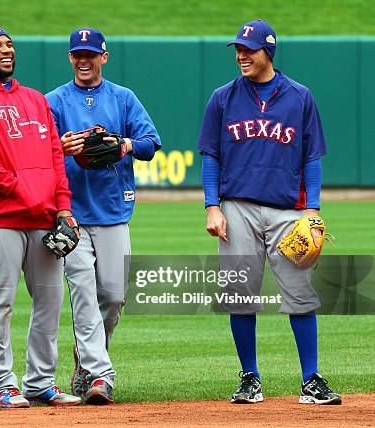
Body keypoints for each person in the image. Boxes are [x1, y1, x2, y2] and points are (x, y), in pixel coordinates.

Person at [197, 19, 342, 405]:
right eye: (238, 50)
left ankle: (311, 379)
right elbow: (211, 155)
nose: (241, 56)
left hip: (288, 212)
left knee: (300, 295)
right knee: (239, 295)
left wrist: (312, 209)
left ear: (269, 52)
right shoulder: (222, 98)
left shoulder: (299, 97)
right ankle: (250, 378)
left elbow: (312, 157)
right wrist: (213, 206)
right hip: (237, 207)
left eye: (249, 49)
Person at [0, 24, 81, 409]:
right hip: (2, 216)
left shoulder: (35, 99)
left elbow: (54, 157)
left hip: (45, 215)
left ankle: (40, 381)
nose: (6, 50)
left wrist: (64, 207)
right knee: (2, 302)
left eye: (10, 44)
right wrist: (17, 187)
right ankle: (0, 384)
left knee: (49, 301)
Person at [46, 28, 162, 404]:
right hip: (71, 214)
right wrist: (59, 147)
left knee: (113, 297)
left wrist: (125, 143)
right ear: (69, 58)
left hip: (113, 211)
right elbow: (35, 153)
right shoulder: (54, 102)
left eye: (90, 54)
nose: (84, 60)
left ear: (104, 57)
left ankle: (87, 359)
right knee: (82, 293)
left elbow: (150, 143)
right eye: (77, 54)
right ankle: (100, 375)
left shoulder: (123, 98)